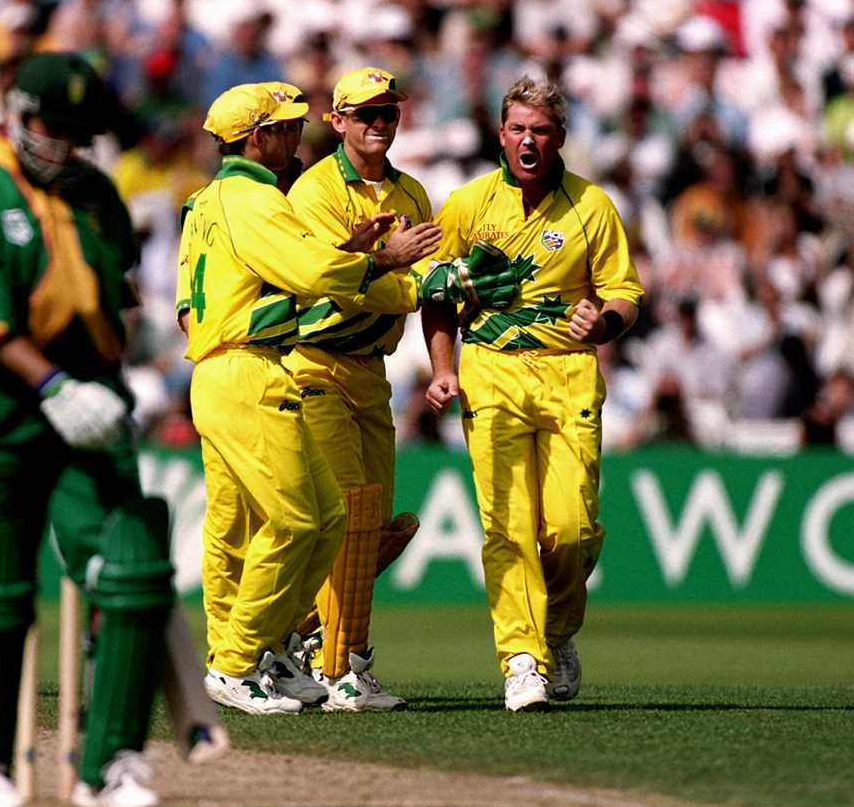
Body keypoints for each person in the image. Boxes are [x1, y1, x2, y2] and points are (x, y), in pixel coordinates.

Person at [0, 52, 174, 807]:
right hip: (2, 408)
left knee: (134, 565)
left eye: (76, 132)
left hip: (91, 408)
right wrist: (54, 387)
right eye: (48, 126)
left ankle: (111, 764)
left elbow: (119, 293)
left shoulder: (96, 192)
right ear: (14, 110)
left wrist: (118, 372)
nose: (61, 144)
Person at [176, 82, 444, 715]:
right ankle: (236, 661)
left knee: (311, 520)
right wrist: (383, 260)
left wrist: (353, 249)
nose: (297, 137)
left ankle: (259, 653)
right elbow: (311, 276)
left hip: (233, 368)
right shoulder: (256, 200)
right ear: (253, 138)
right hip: (247, 369)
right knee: (297, 521)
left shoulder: (207, 201)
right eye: (284, 128)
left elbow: (274, 274)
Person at [422, 76, 643, 712]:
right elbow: (435, 292)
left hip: (569, 372)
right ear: (500, 133)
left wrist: (600, 324)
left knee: (570, 529)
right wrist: (443, 369)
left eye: (540, 130)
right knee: (507, 525)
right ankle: (522, 658)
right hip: (491, 371)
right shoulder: (467, 204)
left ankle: (558, 630)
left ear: (559, 138)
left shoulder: (591, 206)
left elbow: (626, 292)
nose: (528, 140)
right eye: (518, 128)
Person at [282, 66, 437, 712]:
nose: (379, 124)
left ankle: (310, 640)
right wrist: (399, 271)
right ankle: (339, 666)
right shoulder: (315, 192)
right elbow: (326, 279)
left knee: (371, 525)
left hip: (372, 371)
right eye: (366, 114)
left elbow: (430, 281)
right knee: (349, 511)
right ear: (337, 121)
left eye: (389, 114)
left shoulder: (412, 193)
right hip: (313, 361)